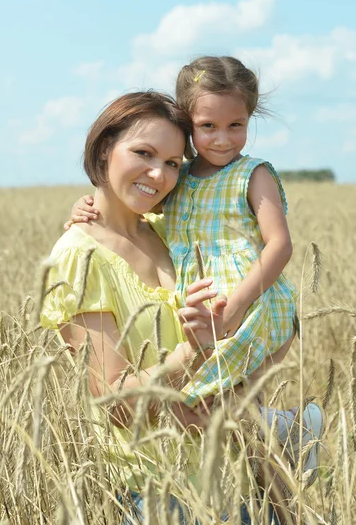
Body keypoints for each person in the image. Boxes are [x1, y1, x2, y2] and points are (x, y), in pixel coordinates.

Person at [41, 90, 305, 524]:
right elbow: (115, 403)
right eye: (143, 153)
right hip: (163, 493)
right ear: (105, 147)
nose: (158, 174)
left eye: (171, 162)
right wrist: (192, 352)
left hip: (236, 475)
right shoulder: (78, 256)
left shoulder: (172, 233)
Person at [66, 56, 299, 409]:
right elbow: (134, 207)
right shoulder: (177, 176)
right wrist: (84, 209)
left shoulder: (252, 174)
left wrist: (233, 311)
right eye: (208, 126)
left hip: (251, 300)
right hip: (206, 307)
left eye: (236, 124)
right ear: (188, 123)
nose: (223, 139)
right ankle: (282, 436)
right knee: (211, 407)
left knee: (205, 405)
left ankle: (285, 437)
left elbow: (280, 244)